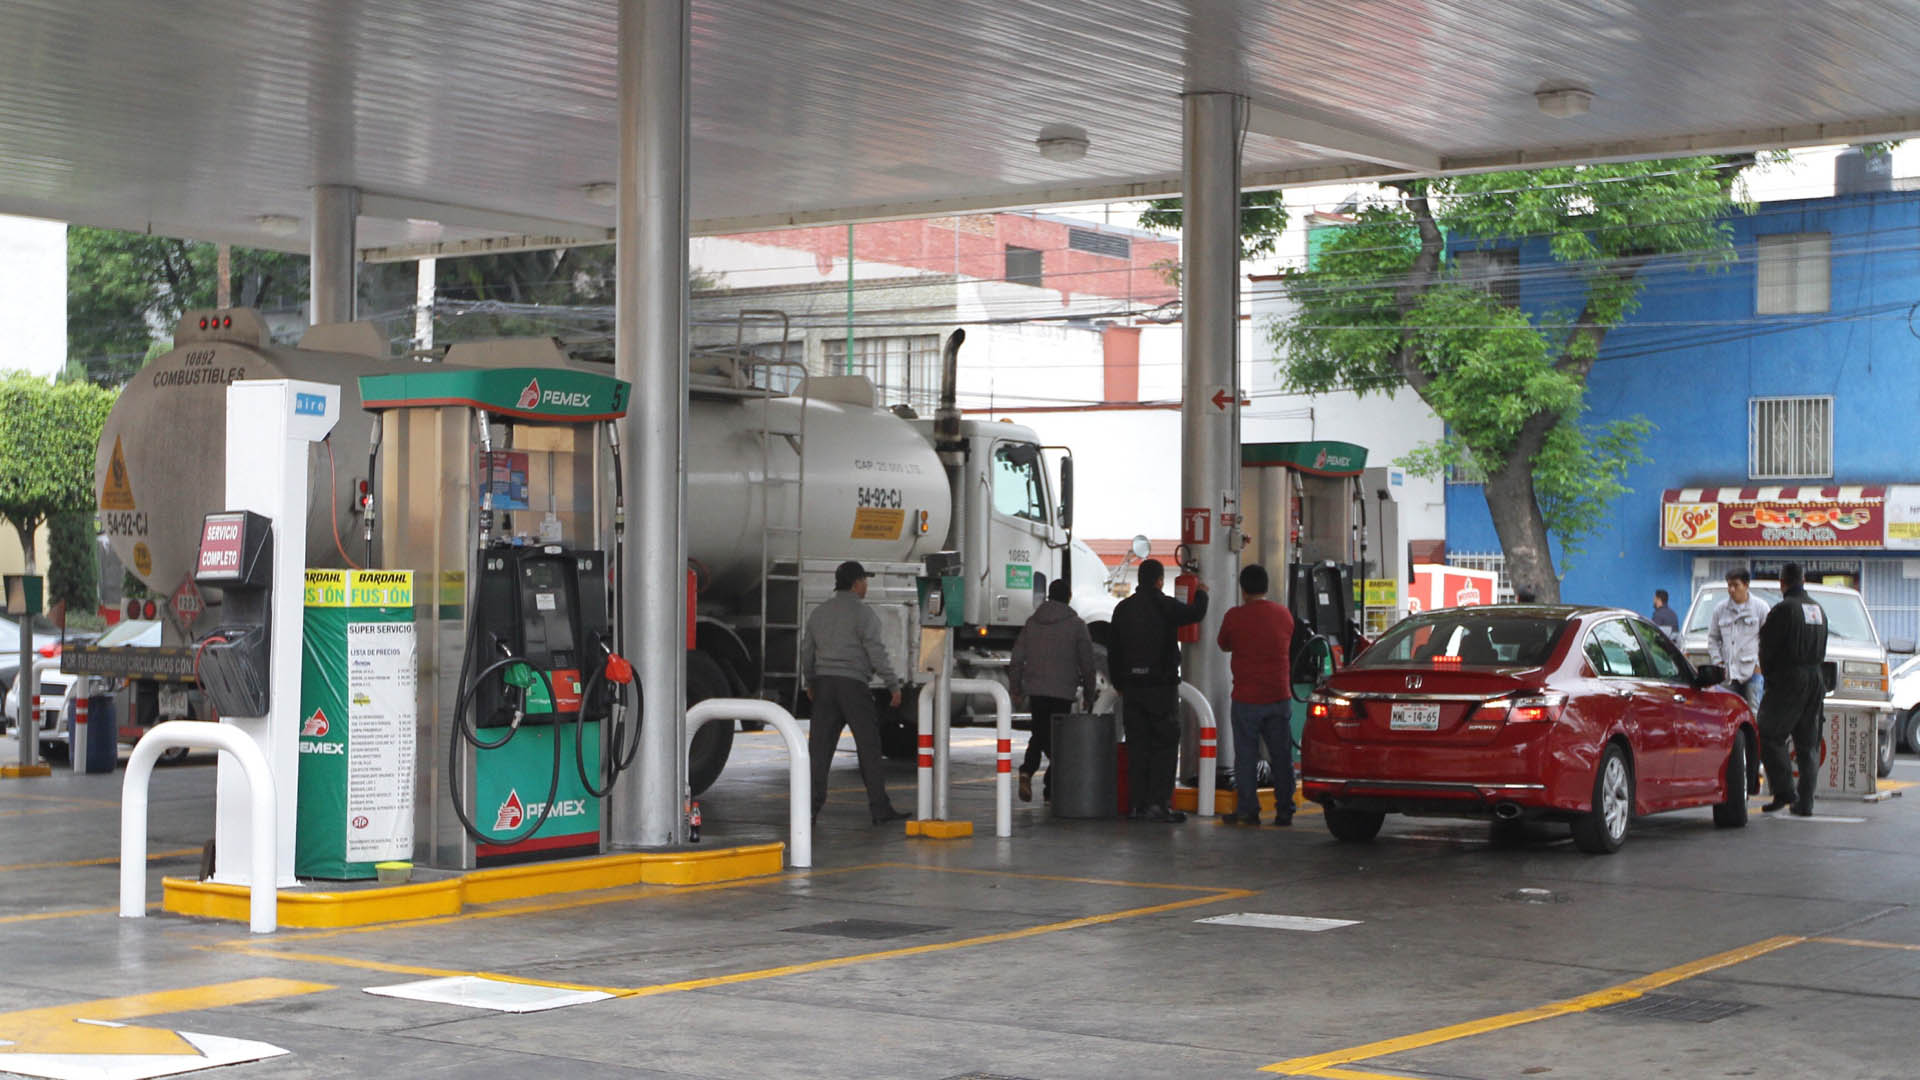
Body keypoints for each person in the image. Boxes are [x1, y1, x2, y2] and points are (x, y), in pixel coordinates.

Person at [801, 560, 909, 826]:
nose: (866, 585)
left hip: (825, 686)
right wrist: (893, 684)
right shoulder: (864, 614)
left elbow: (807, 652)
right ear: (856, 583)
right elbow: (877, 653)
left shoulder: (819, 613)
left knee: (819, 751)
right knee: (868, 748)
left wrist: (810, 682)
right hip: (853, 687)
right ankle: (880, 809)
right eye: (864, 580)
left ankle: (809, 810)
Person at [1106, 558, 1207, 823]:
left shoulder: (1122, 609)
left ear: (1139, 580)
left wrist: (1119, 683)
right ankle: (1158, 805)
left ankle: (1137, 805)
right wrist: (1204, 593)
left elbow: (1113, 651)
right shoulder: (1165, 605)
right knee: (1164, 746)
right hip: (1160, 689)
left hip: (1132, 689)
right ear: (1160, 580)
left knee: (1137, 746)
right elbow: (1195, 614)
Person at [1216, 564, 1296, 826]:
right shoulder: (1284, 615)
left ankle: (1248, 810)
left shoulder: (1235, 617)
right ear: (1266, 587)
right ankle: (1285, 810)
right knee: (1281, 756)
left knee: (1246, 757)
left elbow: (1224, 643)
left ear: (1243, 590)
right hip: (1278, 696)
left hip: (1247, 699)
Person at [1009, 578, 1098, 803]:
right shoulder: (1076, 625)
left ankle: (1028, 770)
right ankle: (1051, 788)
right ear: (1068, 598)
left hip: (1036, 690)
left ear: (1049, 596)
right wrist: (1089, 693)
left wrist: (1015, 687)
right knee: (1058, 740)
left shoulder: (1032, 622)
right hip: (1062, 691)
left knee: (1039, 733)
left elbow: (1017, 659)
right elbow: (1087, 663)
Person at [1756, 563, 1827, 817]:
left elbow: (1767, 648)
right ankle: (1804, 802)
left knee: (1767, 732)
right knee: (1807, 743)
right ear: (1804, 580)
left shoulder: (1783, 609)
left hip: (1789, 679)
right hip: (1815, 678)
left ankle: (1785, 790)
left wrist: (1770, 678)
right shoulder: (1818, 609)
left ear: (1782, 582)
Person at [1709, 568, 1769, 710]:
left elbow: (1770, 641)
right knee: (1729, 713)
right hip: (1728, 674)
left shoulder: (1760, 608)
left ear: (1746, 585)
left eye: (1736, 585)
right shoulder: (1720, 609)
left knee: (1753, 713)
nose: (1731, 589)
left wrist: (1759, 666)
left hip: (1752, 673)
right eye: (1729, 585)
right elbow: (1713, 638)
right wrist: (1718, 662)